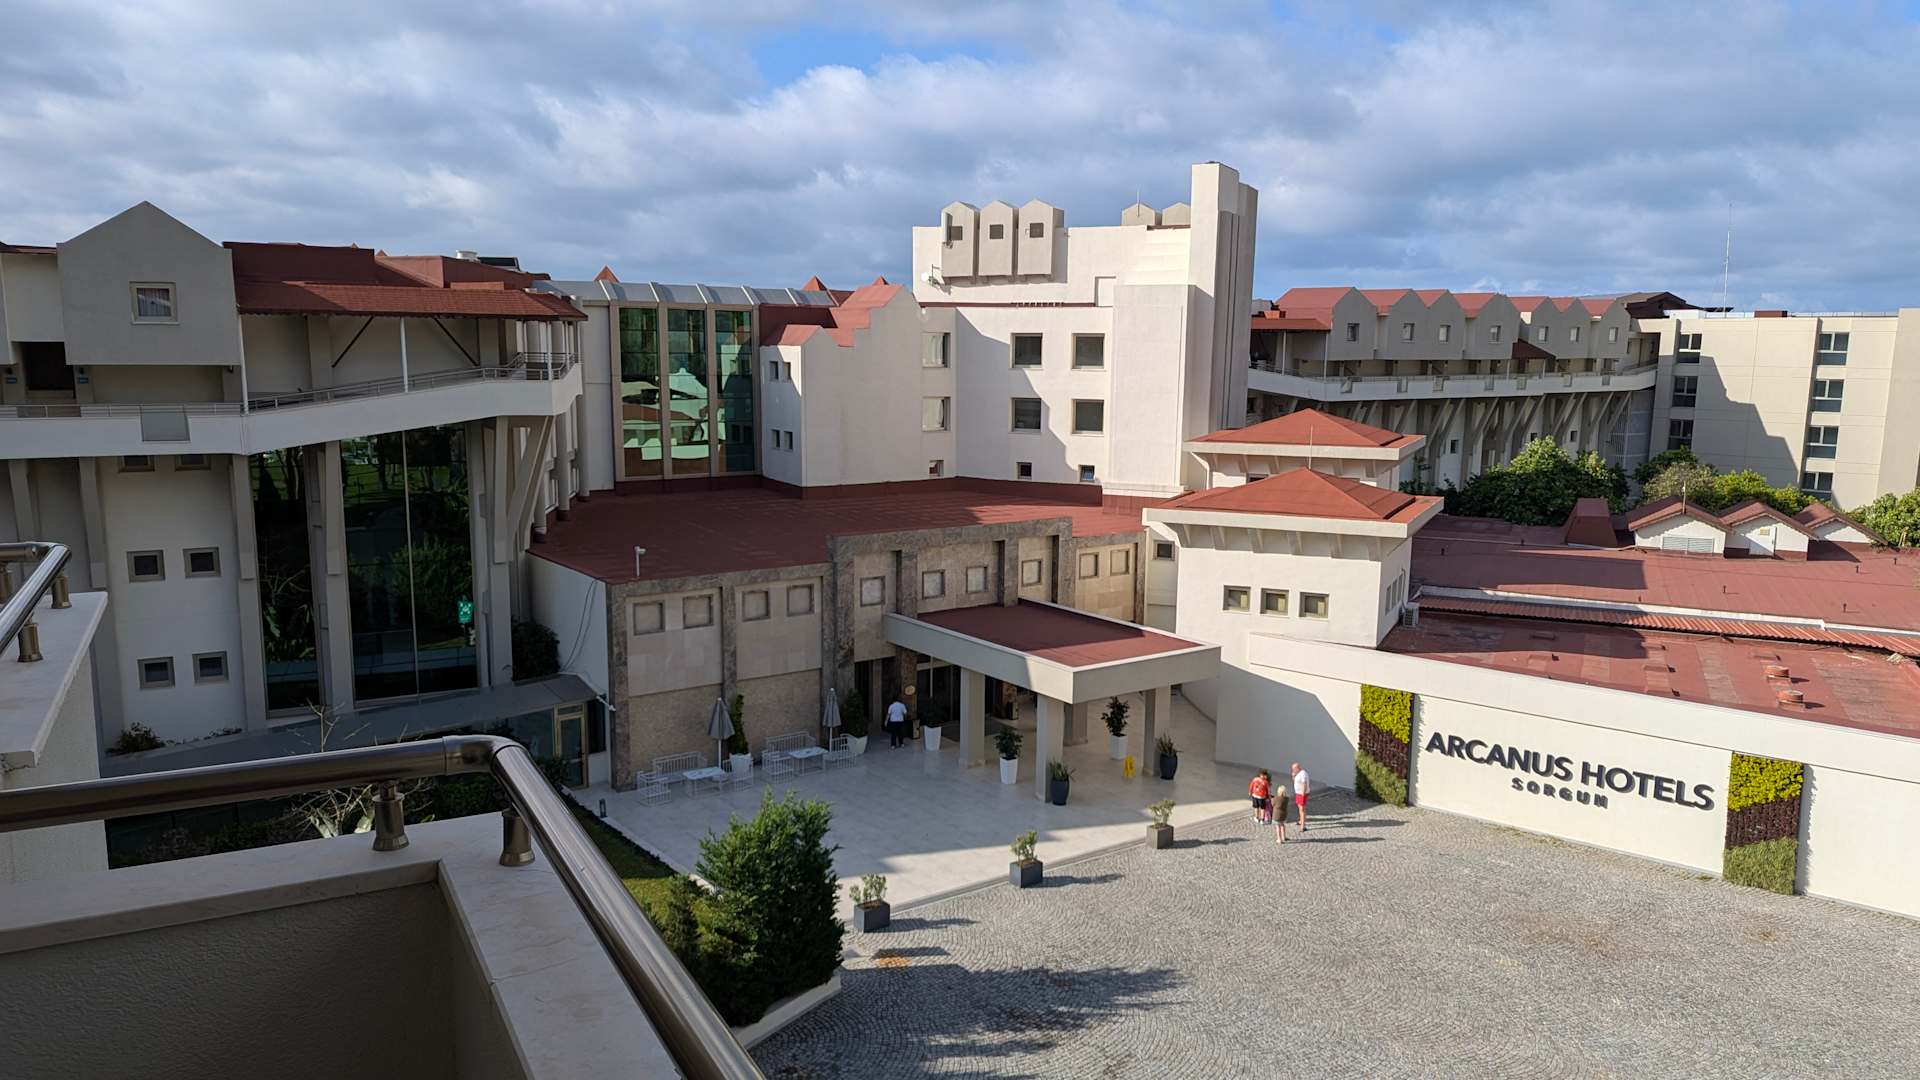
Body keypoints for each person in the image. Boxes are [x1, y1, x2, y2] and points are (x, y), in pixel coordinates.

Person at [1290, 762, 1310, 834]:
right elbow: (1295, 781)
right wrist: (1293, 776)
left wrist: (1303, 794)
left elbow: (1304, 784)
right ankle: (1301, 821)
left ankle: (1303, 826)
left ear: (1297, 768)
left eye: (1293, 769)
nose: (1292, 770)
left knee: (1302, 809)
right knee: (1300, 808)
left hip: (1301, 794)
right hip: (1298, 793)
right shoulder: (1298, 773)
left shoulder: (1303, 774)